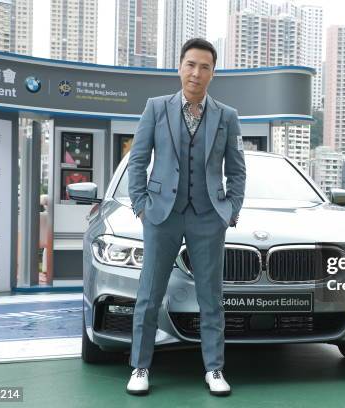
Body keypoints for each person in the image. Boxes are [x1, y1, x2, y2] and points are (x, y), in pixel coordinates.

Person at [125, 37, 246, 397]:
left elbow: (237, 170)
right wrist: (141, 205)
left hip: (209, 216)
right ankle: (140, 365)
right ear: (180, 68)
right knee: (149, 294)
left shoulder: (227, 116)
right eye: (191, 65)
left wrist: (230, 210)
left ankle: (214, 369)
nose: (196, 72)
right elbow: (138, 159)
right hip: (161, 214)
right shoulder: (156, 108)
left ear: (213, 73)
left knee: (211, 297)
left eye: (204, 66)